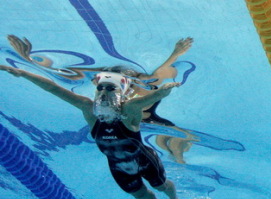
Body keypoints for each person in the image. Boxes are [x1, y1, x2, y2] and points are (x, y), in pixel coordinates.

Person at [0, 65, 185, 199]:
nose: (104, 92)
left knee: (161, 186)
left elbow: (153, 97)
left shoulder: (129, 110)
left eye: (110, 88)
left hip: (144, 160)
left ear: (120, 93)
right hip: (117, 166)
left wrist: (164, 90)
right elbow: (52, 88)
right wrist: (22, 73)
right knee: (140, 194)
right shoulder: (88, 109)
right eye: (100, 88)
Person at [6, 35, 198, 163]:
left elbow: (158, 74)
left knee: (180, 139)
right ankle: (177, 157)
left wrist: (176, 53)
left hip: (149, 119)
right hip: (134, 123)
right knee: (172, 140)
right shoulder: (109, 94)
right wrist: (28, 59)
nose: (105, 91)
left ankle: (178, 159)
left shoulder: (142, 89)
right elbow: (59, 76)